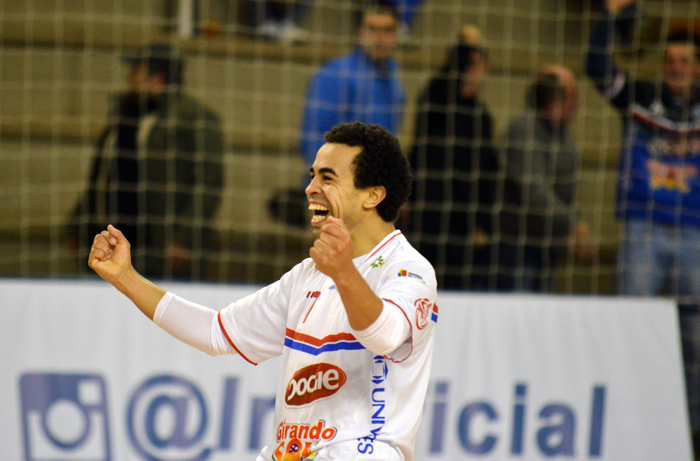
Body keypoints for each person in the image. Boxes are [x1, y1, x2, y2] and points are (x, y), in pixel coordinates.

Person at [88, 122, 438, 461]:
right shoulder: (309, 274)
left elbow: (385, 334)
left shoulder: (409, 269)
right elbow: (215, 332)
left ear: (373, 195)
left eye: (327, 177)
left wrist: (344, 272)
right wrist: (125, 278)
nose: (310, 187)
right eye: (312, 174)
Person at [585, 0, 700, 438]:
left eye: (685, 61)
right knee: (631, 331)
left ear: (696, 68)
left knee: (695, 343)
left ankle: (689, 434)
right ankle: (624, 424)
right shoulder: (641, 98)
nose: (676, 67)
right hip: (643, 233)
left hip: (694, 235)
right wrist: (610, 15)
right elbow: (596, 66)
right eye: (670, 60)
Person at [65, 44, 225, 281]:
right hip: (114, 240)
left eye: (136, 70)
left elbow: (208, 184)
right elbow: (103, 174)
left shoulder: (195, 118)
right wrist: (78, 225)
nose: (129, 76)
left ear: (157, 77)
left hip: (160, 246)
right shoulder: (126, 113)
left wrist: (184, 238)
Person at [407, 25, 500, 290]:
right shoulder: (437, 102)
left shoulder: (481, 116)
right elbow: (418, 154)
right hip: (430, 218)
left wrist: (483, 223)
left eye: (479, 65)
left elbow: (487, 174)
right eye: (470, 64)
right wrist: (468, 45)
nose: (475, 72)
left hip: (464, 224)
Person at [498, 65, 593, 292]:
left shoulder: (562, 134)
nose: (577, 104)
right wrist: (574, 224)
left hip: (546, 245)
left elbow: (565, 191)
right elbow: (534, 190)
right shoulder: (525, 129)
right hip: (517, 246)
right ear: (554, 101)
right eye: (573, 97)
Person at [299, 3, 404, 172]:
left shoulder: (393, 76)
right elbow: (314, 142)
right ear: (359, 31)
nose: (380, 38)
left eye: (388, 30)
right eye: (372, 29)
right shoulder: (335, 74)